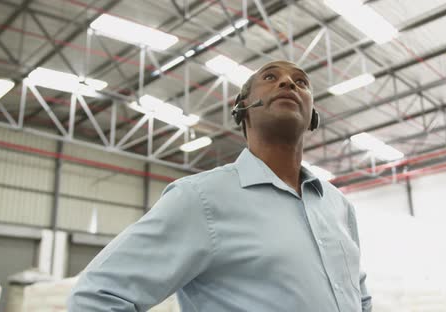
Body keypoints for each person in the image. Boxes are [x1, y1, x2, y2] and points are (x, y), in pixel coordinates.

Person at [68, 60, 372, 312]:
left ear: (312, 117)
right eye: (271, 77)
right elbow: (96, 297)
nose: (289, 84)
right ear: (242, 107)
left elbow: (359, 298)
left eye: (301, 82)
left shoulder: (338, 206)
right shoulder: (201, 199)